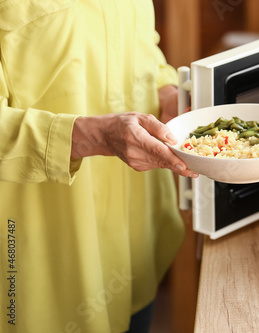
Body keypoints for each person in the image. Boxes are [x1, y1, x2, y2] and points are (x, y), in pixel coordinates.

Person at [0, 1, 198, 332]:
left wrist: (165, 92)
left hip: (137, 252)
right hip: (45, 275)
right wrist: (98, 137)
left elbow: (141, 45)